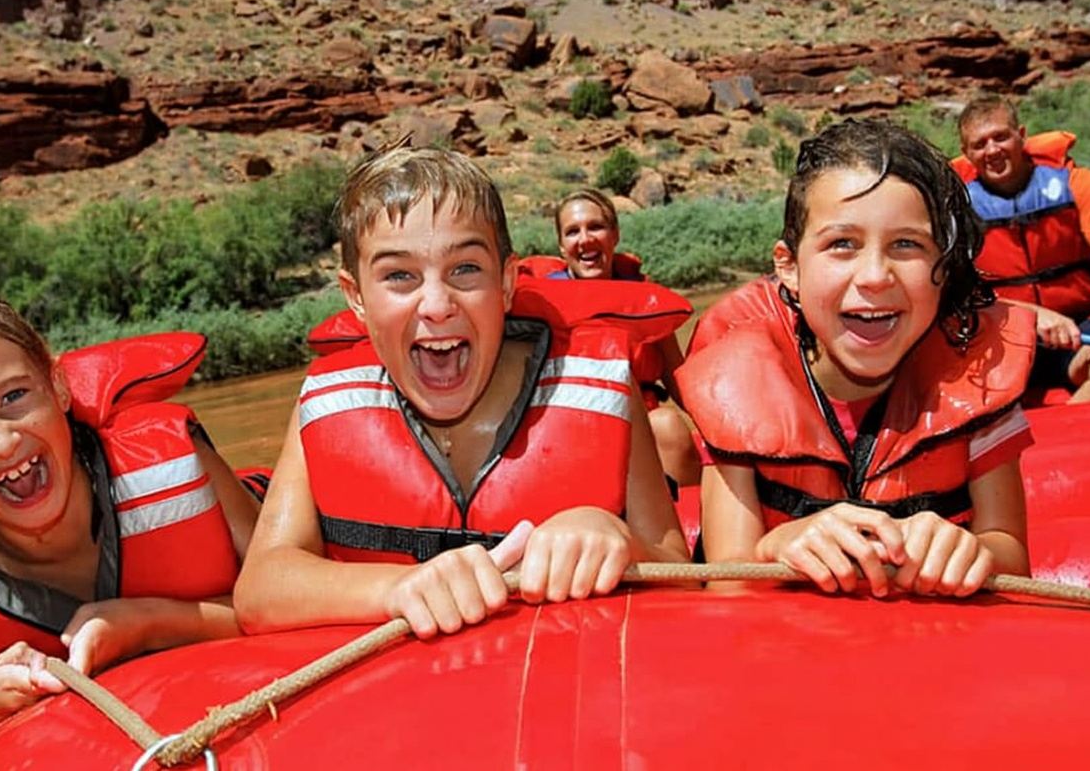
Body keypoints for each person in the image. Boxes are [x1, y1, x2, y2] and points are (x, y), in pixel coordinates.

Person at [234, 145, 688, 638]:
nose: (436, 304)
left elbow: (682, 578)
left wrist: (619, 539)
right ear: (356, 297)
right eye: (399, 276)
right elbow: (260, 589)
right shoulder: (324, 405)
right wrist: (401, 588)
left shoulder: (603, 393)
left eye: (465, 269)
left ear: (507, 283)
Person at [0, 291, 261, 749]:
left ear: (58, 385)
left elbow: (282, 602)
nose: (1, 442)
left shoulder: (177, 463)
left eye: (13, 396)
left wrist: (148, 623)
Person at [680, 119, 1033, 597]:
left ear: (944, 270)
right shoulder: (735, 374)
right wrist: (776, 546)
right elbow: (729, 585)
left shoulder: (978, 371)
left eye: (907, 244)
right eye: (841, 244)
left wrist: (974, 551)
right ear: (789, 267)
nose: (874, 276)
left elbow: (1011, 554)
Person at [519, 188, 702, 490]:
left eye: (596, 227)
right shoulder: (541, 306)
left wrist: (721, 434)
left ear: (615, 235)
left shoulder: (645, 300)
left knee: (668, 427)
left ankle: (692, 526)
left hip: (644, 425)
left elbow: (677, 377)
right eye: (572, 231)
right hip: (573, 426)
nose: (585, 239)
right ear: (562, 247)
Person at [954, 95, 1090, 402]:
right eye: (979, 144)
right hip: (1001, 330)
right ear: (966, 153)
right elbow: (949, 291)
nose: (992, 150)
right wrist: (1030, 314)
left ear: (1021, 136)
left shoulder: (1078, 183)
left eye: (1001, 137)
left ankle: (1064, 434)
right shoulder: (954, 209)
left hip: (1085, 326)